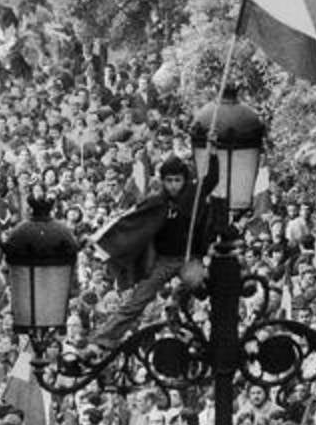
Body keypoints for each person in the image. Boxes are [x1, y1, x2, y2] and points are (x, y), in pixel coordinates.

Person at [87, 150, 219, 354]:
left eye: (178, 180)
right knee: (137, 300)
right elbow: (129, 221)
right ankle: (104, 337)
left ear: (185, 179)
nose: (174, 185)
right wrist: (100, 240)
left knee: (198, 281)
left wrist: (213, 154)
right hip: (163, 261)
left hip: (188, 259)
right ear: (163, 181)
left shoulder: (193, 196)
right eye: (169, 180)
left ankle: (175, 301)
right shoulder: (157, 202)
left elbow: (212, 179)